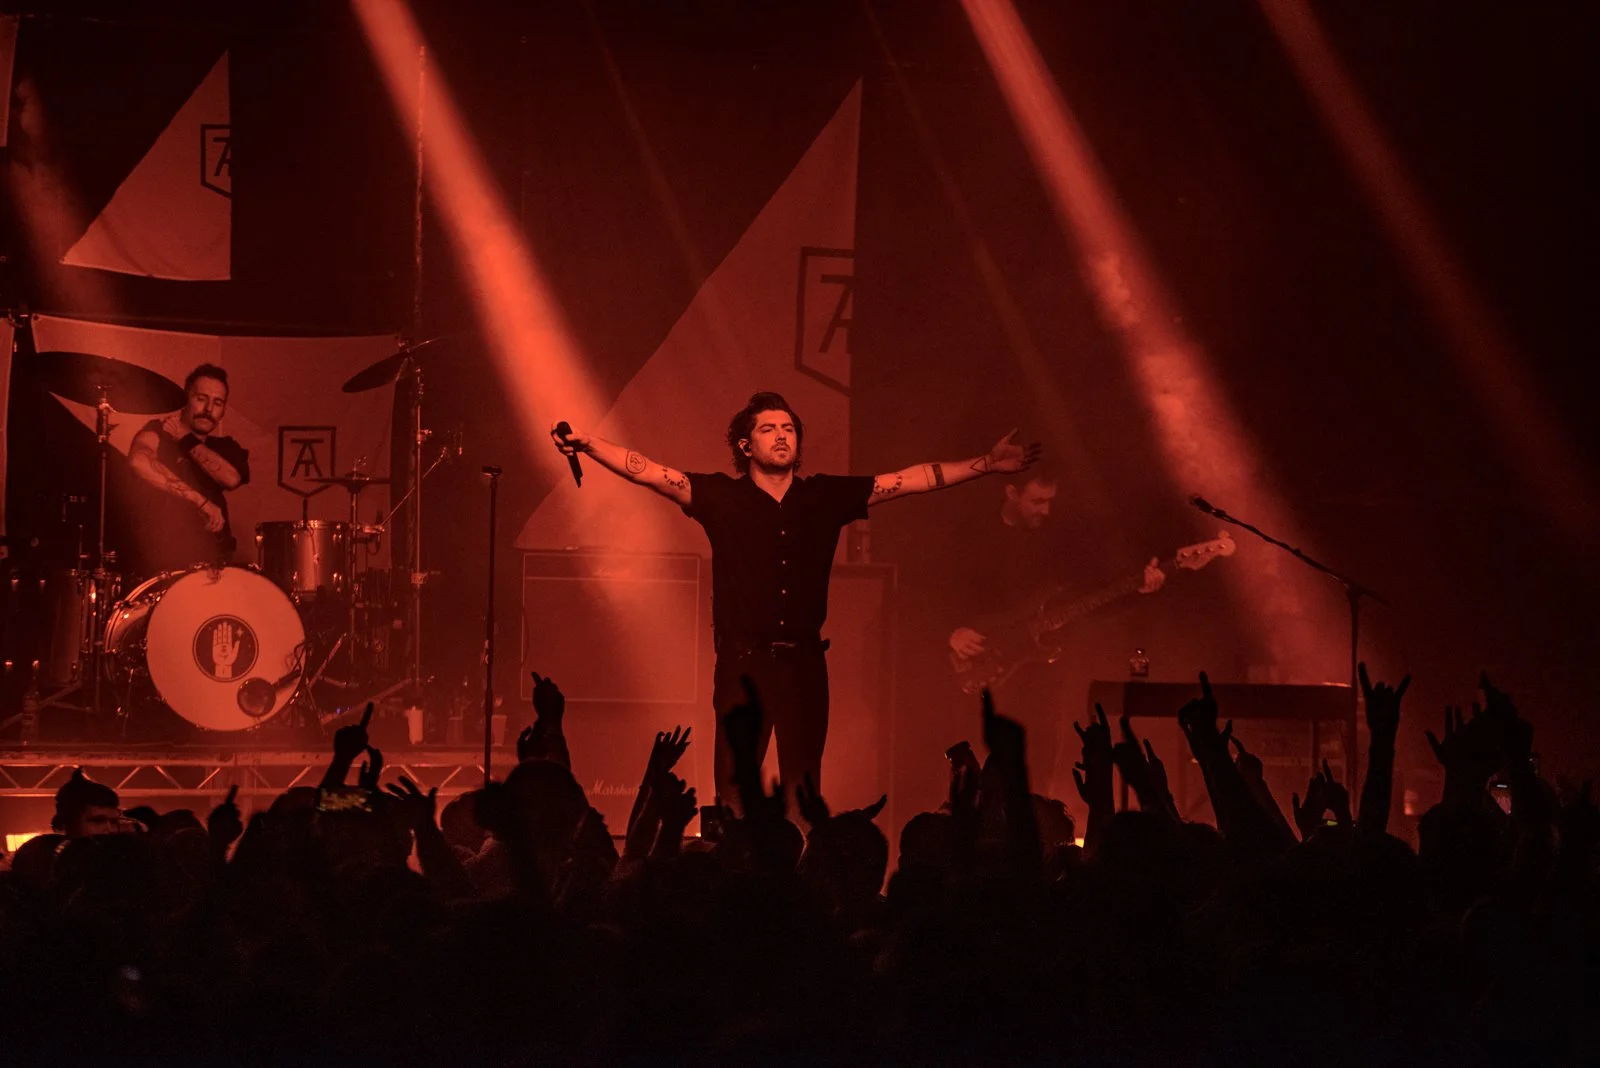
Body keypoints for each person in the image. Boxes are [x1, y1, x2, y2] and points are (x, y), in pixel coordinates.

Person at [551, 391, 1039, 809]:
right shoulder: (721, 497)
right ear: (746, 444)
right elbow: (651, 473)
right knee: (737, 792)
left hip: (805, 665)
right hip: (743, 665)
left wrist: (986, 465)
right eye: (768, 429)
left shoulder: (821, 498)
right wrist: (589, 444)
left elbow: (908, 479)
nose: (782, 435)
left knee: (804, 789)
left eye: (789, 428)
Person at [945, 470, 1165, 796]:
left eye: (1050, 502)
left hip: (1042, 673)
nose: (1045, 510)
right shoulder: (975, 537)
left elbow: (1090, 600)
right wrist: (952, 631)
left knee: (1041, 756)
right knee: (980, 757)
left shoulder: (1058, 544)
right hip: (981, 665)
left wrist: (1139, 591)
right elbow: (937, 591)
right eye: (1036, 501)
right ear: (1011, 492)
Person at [128, 363, 250, 570]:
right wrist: (200, 501)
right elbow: (139, 461)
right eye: (201, 399)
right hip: (162, 560)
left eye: (217, 403)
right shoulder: (158, 431)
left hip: (213, 564)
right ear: (186, 399)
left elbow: (231, 478)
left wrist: (185, 438)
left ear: (223, 412)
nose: (208, 409)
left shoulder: (225, 446)